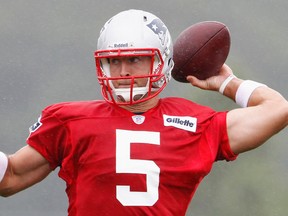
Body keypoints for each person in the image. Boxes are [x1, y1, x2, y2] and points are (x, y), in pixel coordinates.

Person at [0, 9, 287, 216]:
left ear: (162, 62)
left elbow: (277, 109)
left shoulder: (197, 125)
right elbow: (10, 177)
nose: (123, 71)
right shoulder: (68, 121)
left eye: (136, 59)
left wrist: (225, 82)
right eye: (114, 61)